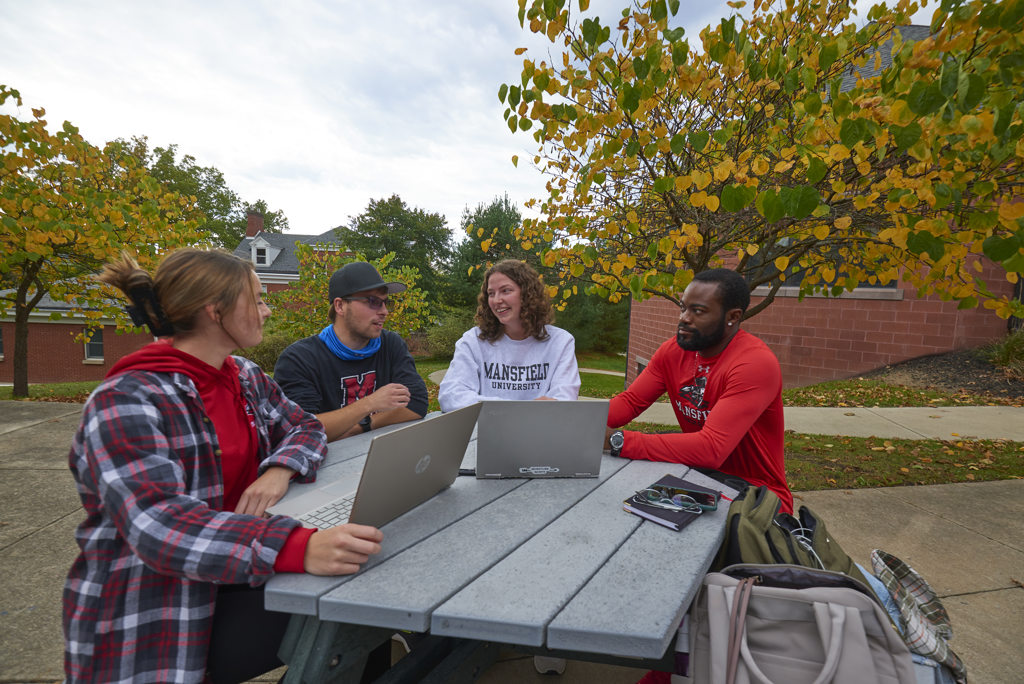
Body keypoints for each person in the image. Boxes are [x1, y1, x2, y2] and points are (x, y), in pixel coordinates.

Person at [63, 249, 383, 684]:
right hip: (163, 607)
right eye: (257, 298)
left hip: (235, 574)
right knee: (357, 618)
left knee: (366, 619)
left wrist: (279, 469)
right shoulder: (126, 400)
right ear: (216, 311)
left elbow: (305, 428)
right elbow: (161, 526)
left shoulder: (243, 376)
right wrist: (298, 547)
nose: (267, 310)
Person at [605, 267, 793, 514]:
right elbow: (629, 402)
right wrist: (573, 420)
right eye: (683, 307)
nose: (684, 318)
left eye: (698, 311)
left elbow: (711, 448)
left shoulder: (754, 364)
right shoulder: (674, 351)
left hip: (757, 497)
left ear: (733, 316)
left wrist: (617, 441)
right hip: (699, 477)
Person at [273, 261, 428, 441]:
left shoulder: (391, 345)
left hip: (382, 456)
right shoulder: (299, 359)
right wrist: (370, 403)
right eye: (373, 302)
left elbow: (416, 404)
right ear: (340, 306)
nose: (385, 311)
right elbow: (301, 429)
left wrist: (363, 425)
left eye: (386, 303)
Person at [439, 259, 580, 412]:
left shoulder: (560, 342)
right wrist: (517, 409)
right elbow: (450, 396)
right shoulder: (473, 340)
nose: (497, 300)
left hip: (540, 433)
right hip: (486, 433)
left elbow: (564, 402)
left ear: (527, 294)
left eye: (506, 290)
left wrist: (492, 407)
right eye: (491, 293)